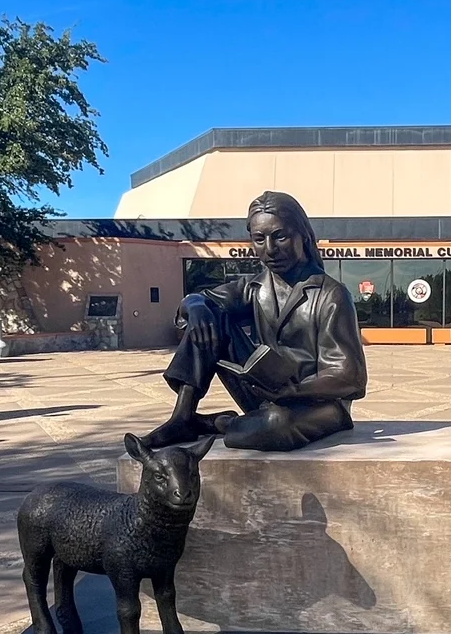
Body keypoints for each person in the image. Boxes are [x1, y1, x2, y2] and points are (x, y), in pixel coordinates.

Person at [143, 191, 367, 452]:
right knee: (208, 314)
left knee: (274, 425)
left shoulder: (332, 294)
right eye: (259, 239)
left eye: (280, 236)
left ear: (303, 235)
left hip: (318, 403)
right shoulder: (255, 287)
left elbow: (350, 376)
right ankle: (182, 417)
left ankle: (223, 424)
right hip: (263, 395)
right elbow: (199, 301)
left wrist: (293, 391)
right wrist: (196, 305)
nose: (270, 249)